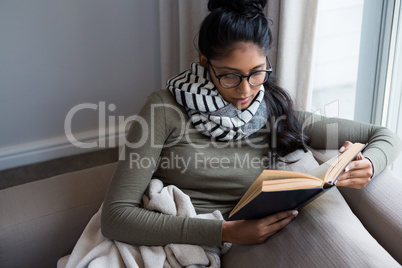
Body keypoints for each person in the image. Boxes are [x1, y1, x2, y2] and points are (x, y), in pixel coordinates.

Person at [101, 0, 401, 265]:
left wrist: (370, 164)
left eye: (257, 72)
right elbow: (115, 217)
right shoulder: (163, 109)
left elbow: (384, 134)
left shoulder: (273, 110)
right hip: (192, 239)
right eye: (230, 75)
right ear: (205, 62)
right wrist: (223, 232)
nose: (246, 91)